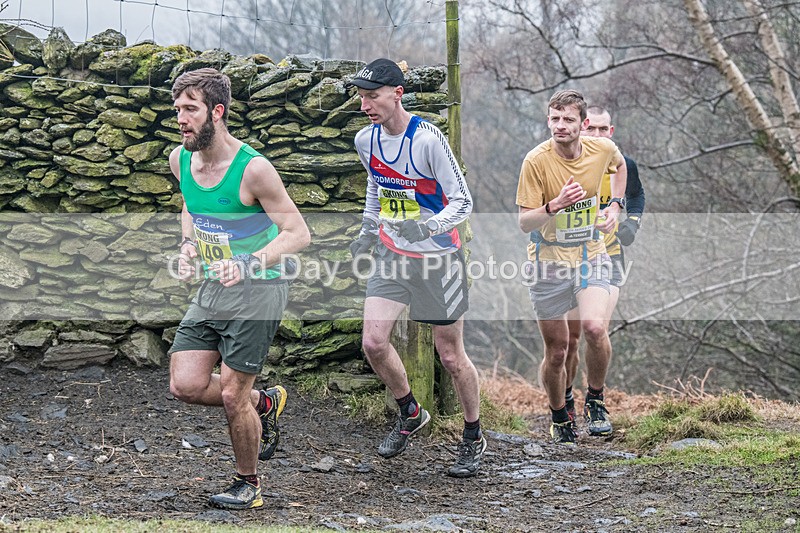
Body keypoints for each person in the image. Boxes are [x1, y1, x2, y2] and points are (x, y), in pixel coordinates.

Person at [167, 68, 311, 509]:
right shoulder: (180, 160)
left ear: (217, 111)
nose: (181, 119)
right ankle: (264, 403)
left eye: (190, 109)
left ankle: (248, 485)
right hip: (213, 286)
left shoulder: (254, 170)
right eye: (177, 110)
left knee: (232, 394)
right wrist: (190, 244)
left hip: (259, 289)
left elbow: (298, 233)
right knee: (185, 384)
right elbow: (192, 207)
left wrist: (249, 262)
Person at [348, 58, 485, 477]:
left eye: (373, 96)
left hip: (439, 257)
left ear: (397, 94)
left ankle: (473, 435)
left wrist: (426, 224)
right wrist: (369, 231)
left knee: (450, 355)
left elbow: (463, 201)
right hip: (392, 254)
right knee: (373, 342)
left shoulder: (427, 140)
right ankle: (410, 411)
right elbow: (376, 183)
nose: (365, 104)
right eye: (361, 97)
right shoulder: (365, 140)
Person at [516, 90, 627, 445]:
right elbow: (524, 223)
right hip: (547, 260)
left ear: (584, 124)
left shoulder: (602, 150)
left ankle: (595, 399)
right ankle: (560, 413)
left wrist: (615, 207)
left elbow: (620, 166)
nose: (560, 126)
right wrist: (555, 205)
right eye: (554, 118)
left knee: (594, 328)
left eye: (568, 119)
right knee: (559, 350)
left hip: (590, 253)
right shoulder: (535, 160)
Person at [558, 106, 646, 436]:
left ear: (611, 132)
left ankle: (595, 399)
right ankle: (565, 399)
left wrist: (631, 224)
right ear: (581, 128)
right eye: (590, 128)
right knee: (568, 340)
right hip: (566, 260)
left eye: (602, 130)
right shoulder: (563, 162)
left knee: (595, 329)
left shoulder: (624, 165)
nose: (595, 135)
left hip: (607, 259)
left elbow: (636, 195)